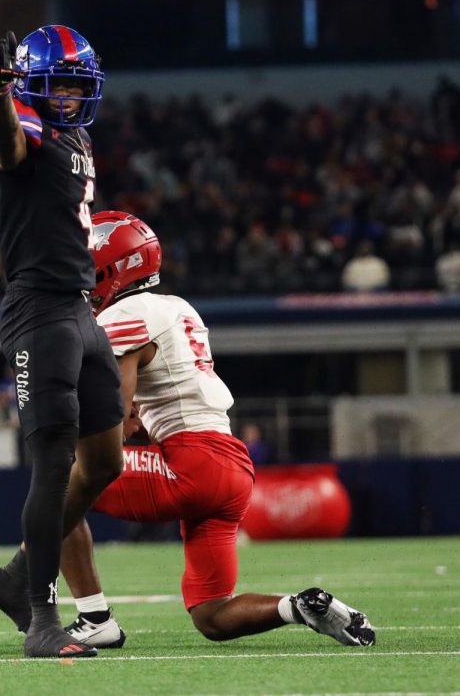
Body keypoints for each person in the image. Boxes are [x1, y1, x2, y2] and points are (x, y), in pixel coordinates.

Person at [57, 211, 376, 650]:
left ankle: (94, 617)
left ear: (114, 266)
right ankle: (298, 606)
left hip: (191, 462)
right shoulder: (177, 307)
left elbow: (113, 412)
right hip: (231, 467)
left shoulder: (126, 313)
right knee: (212, 615)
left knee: (57, 482)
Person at [0, 26, 125, 658]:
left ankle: (13, 576)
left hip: (81, 308)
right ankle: (41, 617)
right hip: (39, 309)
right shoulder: (20, 121)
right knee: (53, 463)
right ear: (31, 85)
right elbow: (7, 146)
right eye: (55, 84)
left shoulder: (79, 136)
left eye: (75, 85)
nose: (65, 96)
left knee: (106, 463)